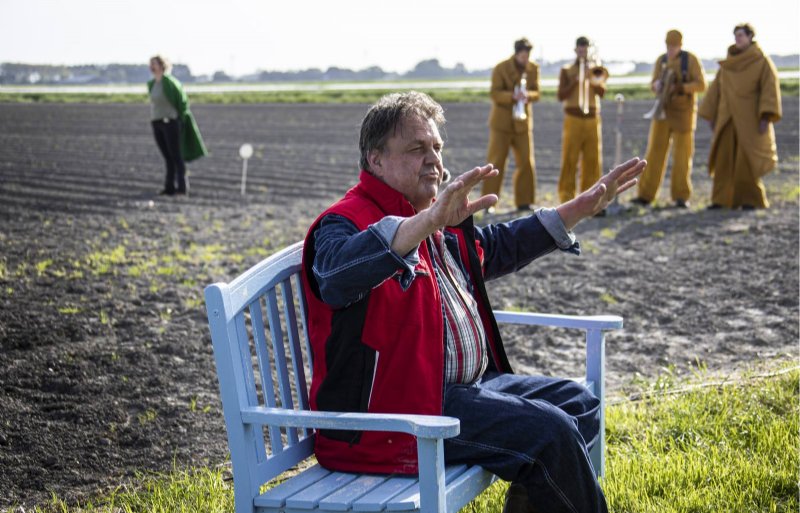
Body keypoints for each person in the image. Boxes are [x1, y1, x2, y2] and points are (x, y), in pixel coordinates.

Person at [300, 91, 646, 513]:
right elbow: (334, 275)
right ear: (375, 160)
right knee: (551, 434)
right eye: (416, 149)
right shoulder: (345, 221)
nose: (433, 160)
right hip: (396, 417)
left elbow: (491, 248)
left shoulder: (430, 214)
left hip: (456, 390)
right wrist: (424, 222)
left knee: (579, 403)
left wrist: (578, 208)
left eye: (436, 148)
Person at [698, 23, 782, 209]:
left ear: (751, 37)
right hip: (727, 118)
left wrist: (765, 117)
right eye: (736, 35)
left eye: (741, 35)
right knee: (723, 160)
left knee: (746, 162)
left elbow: (769, 89)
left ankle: (750, 200)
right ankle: (720, 200)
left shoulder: (762, 62)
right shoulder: (728, 65)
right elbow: (715, 90)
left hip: (750, 120)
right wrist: (711, 115)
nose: (738, 39)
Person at [632, 30, 706, 208]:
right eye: (668, 46)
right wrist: (656, 85)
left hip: (684, 115)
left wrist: (680, 87)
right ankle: (645, 195)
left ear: (680, 45)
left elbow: (702, 84)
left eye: (673, 46)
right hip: (662, 113)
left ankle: (681, 197)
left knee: (682, 157)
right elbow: (653, 83)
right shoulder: (661, 60)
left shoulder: (691, 60)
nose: (670, 50)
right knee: (654, 154)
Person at [481, 38, 540, 213]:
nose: (525, 58)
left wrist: (528, 95)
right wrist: (512, 97)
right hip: (502, 124)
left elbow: (537, 92)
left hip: (522, 124)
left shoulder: (533, 69)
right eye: (522, 55)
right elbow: (495, 93)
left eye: (527, 55)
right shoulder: (501, 68)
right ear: (516, 53)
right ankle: (488, 204)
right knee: (496, 162)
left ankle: (524, 202)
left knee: (526, 163)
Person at [557, 37, 609, 205]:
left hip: (592, 118)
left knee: (593, 159)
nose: (583, 53)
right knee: (569, 158)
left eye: (585, 50)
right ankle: (566, 198)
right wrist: (576, 81)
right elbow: (561, 95)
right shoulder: (567, 70)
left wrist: (591, 77)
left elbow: (602, 92)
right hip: (573, 118)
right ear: (575, 50)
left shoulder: (597, 69)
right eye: (580, 50)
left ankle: (592, 199)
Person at [147, 55, 208, 196]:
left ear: (162, 65)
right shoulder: (152, 84)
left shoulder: (170, 83)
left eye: (154, 64)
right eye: (150, 64)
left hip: (171, 123)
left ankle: (182, 187)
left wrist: (178, 119)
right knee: (167, 157)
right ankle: (169, 187)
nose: (151, 66)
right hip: (157, 122)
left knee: (176, 156)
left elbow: (182, 102)